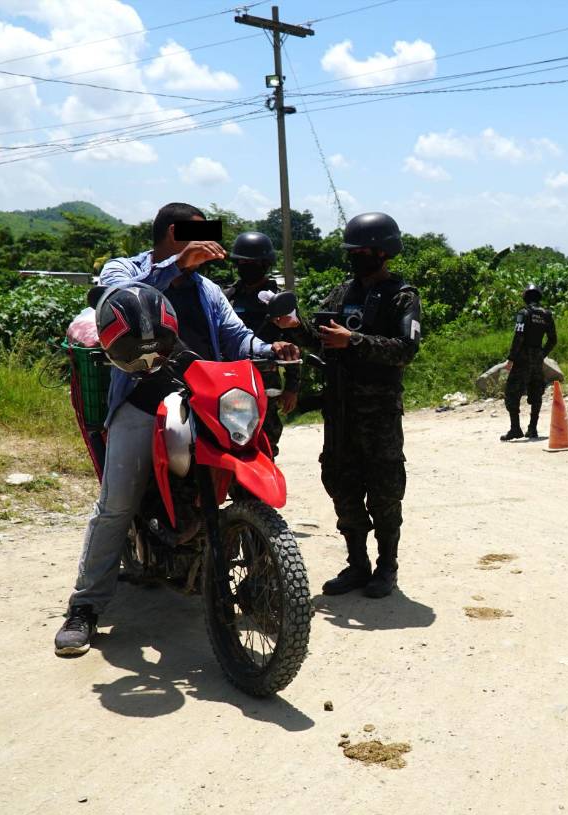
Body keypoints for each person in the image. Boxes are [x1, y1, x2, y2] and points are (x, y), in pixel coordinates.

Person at [54, 203, 296, 657]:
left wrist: (270, 346)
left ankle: (262, 590)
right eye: (199, 233)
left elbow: (234, 336)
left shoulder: (208, 290)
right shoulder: (126, 267)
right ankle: (85, 608)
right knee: (117, 503)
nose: (208, 243)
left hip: (207, 397)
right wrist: (173, 267)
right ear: (173, 232)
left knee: (253, 483)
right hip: (144, 399)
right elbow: (115, 298)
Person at [288, 212, 420, 599]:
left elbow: (406, 349)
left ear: (383, 251)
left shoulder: (402, 296)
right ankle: (357, 565)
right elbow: (320, 338)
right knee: (342, 489)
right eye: (353, 250)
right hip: (340, 414)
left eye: (363, 250)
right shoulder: (341, 293)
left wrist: (355, 341)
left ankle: (386, 568)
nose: (356, 256)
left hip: (378, 416)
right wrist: (296, 327)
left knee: (384, 492)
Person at [222, 231, 301, 454]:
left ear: (265, 264)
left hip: (265, 383)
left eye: (253, 263)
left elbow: (293, 344)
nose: (246, 267)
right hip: (228, 382)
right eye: (242, 262)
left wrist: (292, 387)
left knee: (263, 445)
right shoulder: (227, 297)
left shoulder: (278, 299)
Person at [500, 283, 557, 441]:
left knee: (512, 392)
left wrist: (511, 358)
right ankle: (532, 429)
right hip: (537, 358)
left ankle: (515, 429)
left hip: (522, 359)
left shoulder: (523, 313)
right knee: (536, 392)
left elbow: (518, 337)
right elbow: (553, 339)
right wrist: (541, 354)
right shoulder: (547, 314)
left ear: (525, 297)